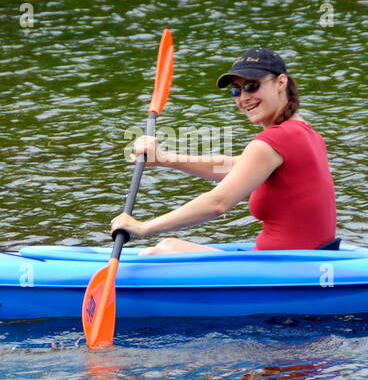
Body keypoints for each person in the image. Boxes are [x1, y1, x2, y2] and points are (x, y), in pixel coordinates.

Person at [110, 47, 337, 254]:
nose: (244, 98)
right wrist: (165, 158)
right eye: (236, 91)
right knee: (168, 246)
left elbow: (218, 203)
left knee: (158, 252)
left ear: (281, 82)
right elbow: (234, 166)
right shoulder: (305, 133)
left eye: (252, 86)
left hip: (283, 272)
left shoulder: (275, 139)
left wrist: (142, 227)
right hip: (297, 262)